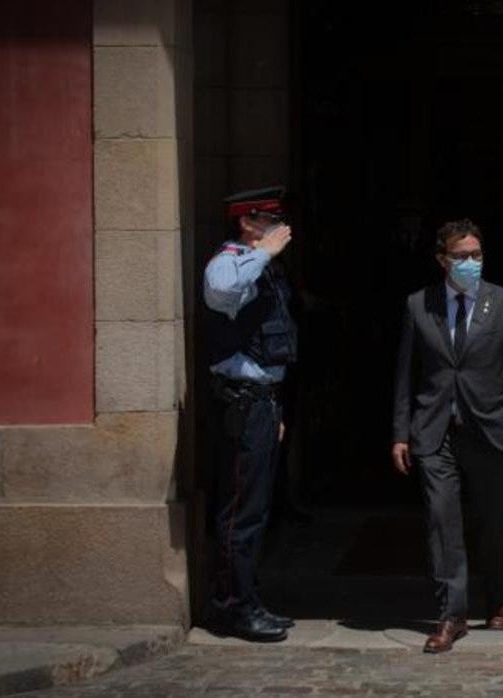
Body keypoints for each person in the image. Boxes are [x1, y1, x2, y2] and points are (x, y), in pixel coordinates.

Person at [391, 219, 503, 653]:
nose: (470, 262)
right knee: (441, 521)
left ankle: (498, 598)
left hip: (490, 430)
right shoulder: (419, 305)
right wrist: (401, 432)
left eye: (476, 255)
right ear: (441, 260)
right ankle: (452, 615)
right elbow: (405, 374)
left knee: (495, 525)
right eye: (460, 256)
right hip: (436, 432)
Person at [202, 186, 299, 642]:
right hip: (241, 400)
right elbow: (222, 292)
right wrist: (263, 254)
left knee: (256, 510)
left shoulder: (264, 268)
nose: (279, 228)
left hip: (262, 401)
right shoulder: (228, 262)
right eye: (269, 220)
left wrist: (275, 408)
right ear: (247, 223)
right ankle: (231, 608)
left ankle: (247, 599)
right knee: (240, 512)